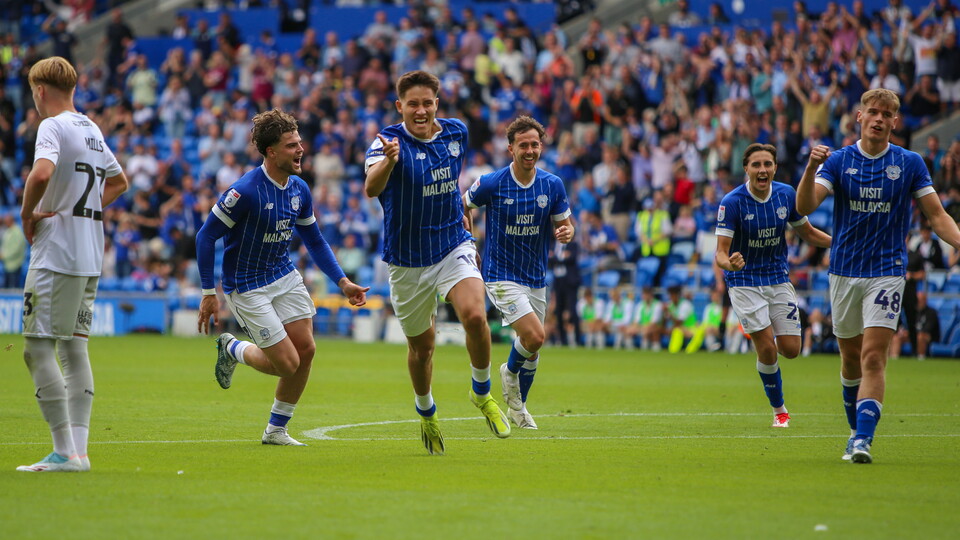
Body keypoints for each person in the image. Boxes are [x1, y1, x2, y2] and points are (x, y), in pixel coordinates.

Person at [797, 88, 960, 463]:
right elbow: (804, 205)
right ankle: (855, 431)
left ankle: (863, 441)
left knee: (873, 357)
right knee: (850, 359)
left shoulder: (910, 163)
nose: (880, 119)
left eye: (887, 114)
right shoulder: (838, 161)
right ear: (860, 116)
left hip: (887, 272)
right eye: (873, 112)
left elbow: (936, 216)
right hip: (843, 272)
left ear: (895, 121)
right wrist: (809, 167)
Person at [196, 108, 368, 447]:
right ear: (271, 152)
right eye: (291, 145)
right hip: (247, 285)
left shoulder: (300, 189)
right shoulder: (244, 192)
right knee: (288, 363)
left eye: (299, 143)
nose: (300, 150)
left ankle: (276, 429)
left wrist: (343, 281)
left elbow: (314, 240)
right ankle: (233, 348)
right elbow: (205, 236)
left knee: (306, 350)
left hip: (283, 274)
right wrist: (207, 291)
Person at [364, 70, 510, 455]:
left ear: (437, 104)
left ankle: (481, 393)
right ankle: (426, 411)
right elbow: (370, 188)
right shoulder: (386, 143)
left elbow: (454, 184)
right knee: (422, 349)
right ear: (400, 107)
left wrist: (467, 224)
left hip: (451, 245)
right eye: (413, 103)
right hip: (408, 262)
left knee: (476, 316)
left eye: (427, 102)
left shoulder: (456, 133)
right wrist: (390, 163)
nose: (421, 110)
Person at [17, 57, 129, 472]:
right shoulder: (91, 129)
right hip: (89, 254)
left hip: (56, 254)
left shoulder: (52, 126)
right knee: (75, 348)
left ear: (40, 91)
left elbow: (40, 175)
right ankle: (78, 451)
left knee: (37, 348)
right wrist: (83, 212)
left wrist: (29, 214)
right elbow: (119, 182)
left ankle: (64, 451)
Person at [462, 115, 574, 429]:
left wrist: (567, 233)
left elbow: (565, 223)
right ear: (510, 148)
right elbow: (464, 204)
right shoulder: (492, 182)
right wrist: (467, 236)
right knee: (535, 336)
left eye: (534, 144)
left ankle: (517, 409)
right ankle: (508, 374)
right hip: (500, 275)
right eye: (523, 145)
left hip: (536, 277)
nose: (529, 150)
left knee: (533, 350)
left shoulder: (552, 185)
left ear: (541, 147)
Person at [715, 143, 832, 429]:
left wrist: (839, 243)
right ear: (746, 169)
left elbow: (806, 232)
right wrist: (730, 263)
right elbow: (719, 253)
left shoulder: (786, 194)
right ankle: (779, 410)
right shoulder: (732, 202)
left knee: (791, 349)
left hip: (777, 278)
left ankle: (774, 383)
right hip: (744, 281)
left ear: (775, 167)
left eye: (767, 164)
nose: (762, 169)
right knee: (766, 348)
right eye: (756, 165)